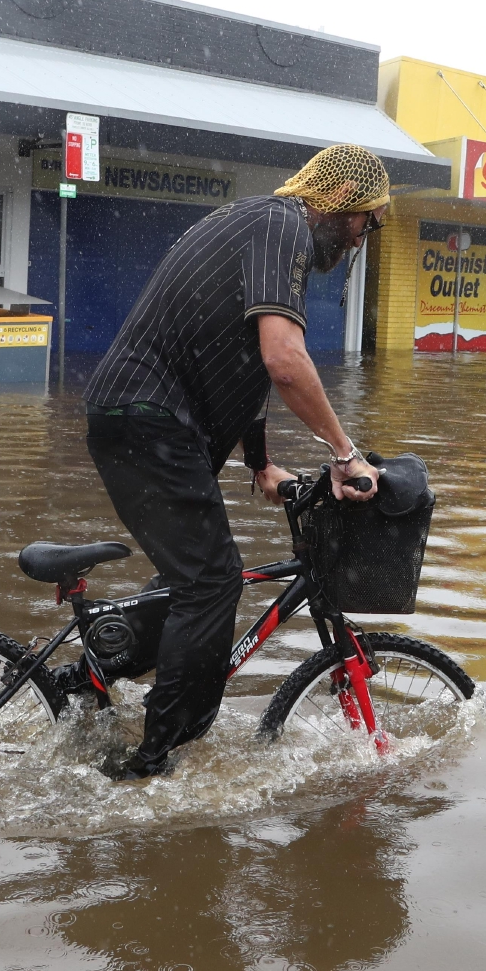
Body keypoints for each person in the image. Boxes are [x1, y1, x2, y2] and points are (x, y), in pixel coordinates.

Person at [84, 143, 390, 782]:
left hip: (144, 419)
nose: (365, 234)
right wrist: (345, 453)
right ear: (339, 204)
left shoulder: (261, 225)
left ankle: (97, 670)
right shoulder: (282, 227)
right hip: (149, 418)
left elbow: (238, 358)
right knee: (213, 584)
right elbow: (283, 358)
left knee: (189, 574)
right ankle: (152, 762)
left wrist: (261, 464)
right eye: (368, 218)